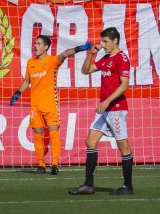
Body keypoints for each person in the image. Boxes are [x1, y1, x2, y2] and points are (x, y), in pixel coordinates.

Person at [10, 35, 91, 175]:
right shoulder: (31, 62)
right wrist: (17, 93)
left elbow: (65, 53)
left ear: (46, 47)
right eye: (35, 43)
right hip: (35, 105)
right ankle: (41, 165)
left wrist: (80, 48)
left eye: (39, 43)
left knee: (54, 132)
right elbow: (26, 81)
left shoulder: (52, 61)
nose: (35, 46)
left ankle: (54, 164)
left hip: (50, 104)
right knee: (38, 134)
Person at [69, 27, 133, 195]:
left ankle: (128, 186)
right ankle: (88, 185)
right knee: (90, 141)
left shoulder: (122, 58)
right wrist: (91, 54)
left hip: (116, 109)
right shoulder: (105, 58)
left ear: (115, 41)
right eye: (102, 41)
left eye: (105, 41)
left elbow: (124, 85)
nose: (103, 44)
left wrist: (107, 101)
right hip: (104, 109)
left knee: (123, 145)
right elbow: (85, 71)